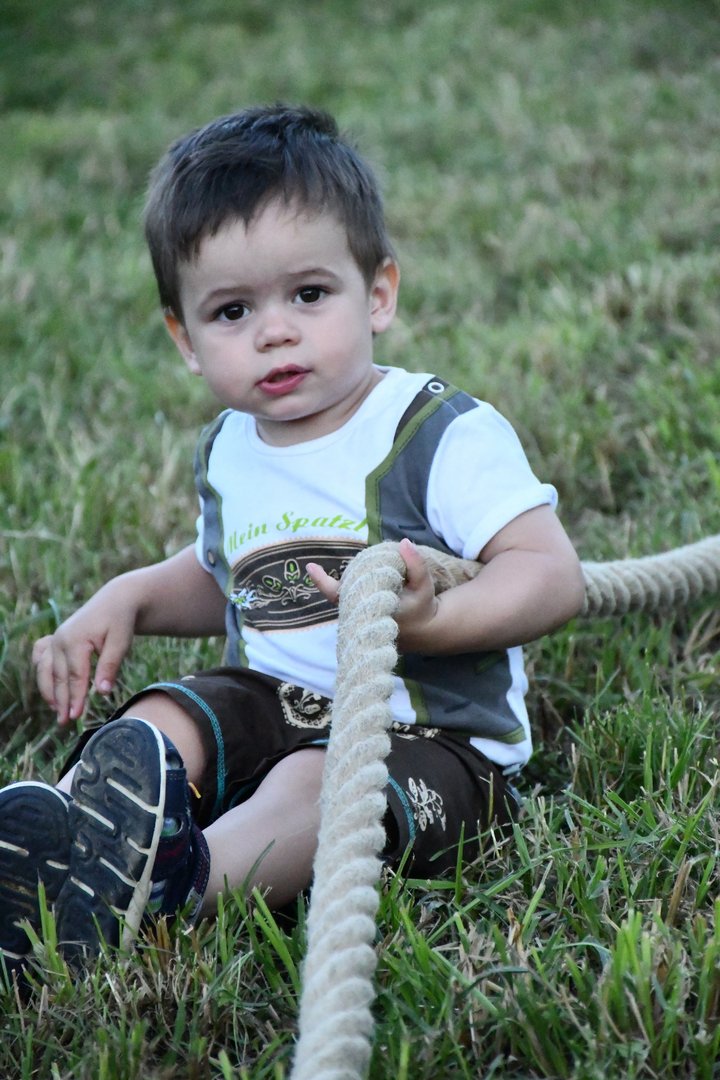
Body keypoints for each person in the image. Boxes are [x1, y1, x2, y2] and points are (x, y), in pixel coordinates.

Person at [0, 104, 585, 976]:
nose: (273, 331)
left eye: (309, 295)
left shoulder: (437, 433)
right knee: (168, 713)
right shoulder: (232, 446)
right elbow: (229, 577)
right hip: (275, 699)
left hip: (427, 740)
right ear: (184, 338)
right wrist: (131, 597)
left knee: (314, 783)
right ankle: (66, 840)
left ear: (377, 293)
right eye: (231, 310)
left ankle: (175, 888)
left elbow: (550, 574)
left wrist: (431, 624)